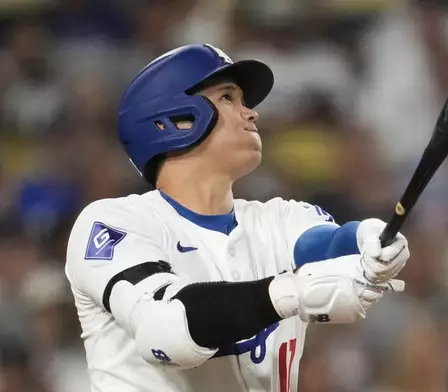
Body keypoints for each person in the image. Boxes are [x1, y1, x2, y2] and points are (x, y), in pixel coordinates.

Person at [64, 44, 410, 392]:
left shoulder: (279, 218)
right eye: (228, 98)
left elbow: (333, 244)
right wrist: (291, 292)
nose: (251, 114)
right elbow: (165, 332)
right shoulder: (112, 222)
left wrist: (369, 236)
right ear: (172, 120)